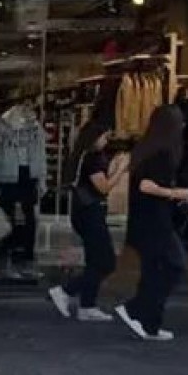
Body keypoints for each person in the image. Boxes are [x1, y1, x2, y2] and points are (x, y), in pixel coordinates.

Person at [116, 105, 188, 341]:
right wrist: (176, 193)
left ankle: (149, 322)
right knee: (174, 266)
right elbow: (146, 185)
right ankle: (137, 310)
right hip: (156, 222)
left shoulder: (145, 149)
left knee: (154, 270)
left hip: (143, 221)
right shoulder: (162, 154)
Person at [48, 121, 124, 322]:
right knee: (106, 261)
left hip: (83, 212)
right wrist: (121, 170)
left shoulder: (82, 156)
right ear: (94, 138)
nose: (106, 140)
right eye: (104, 136)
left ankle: (87, 305)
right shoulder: (92, 158)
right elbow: (104, 187)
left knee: (95, 260)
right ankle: (66, 291)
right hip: (90, 213)